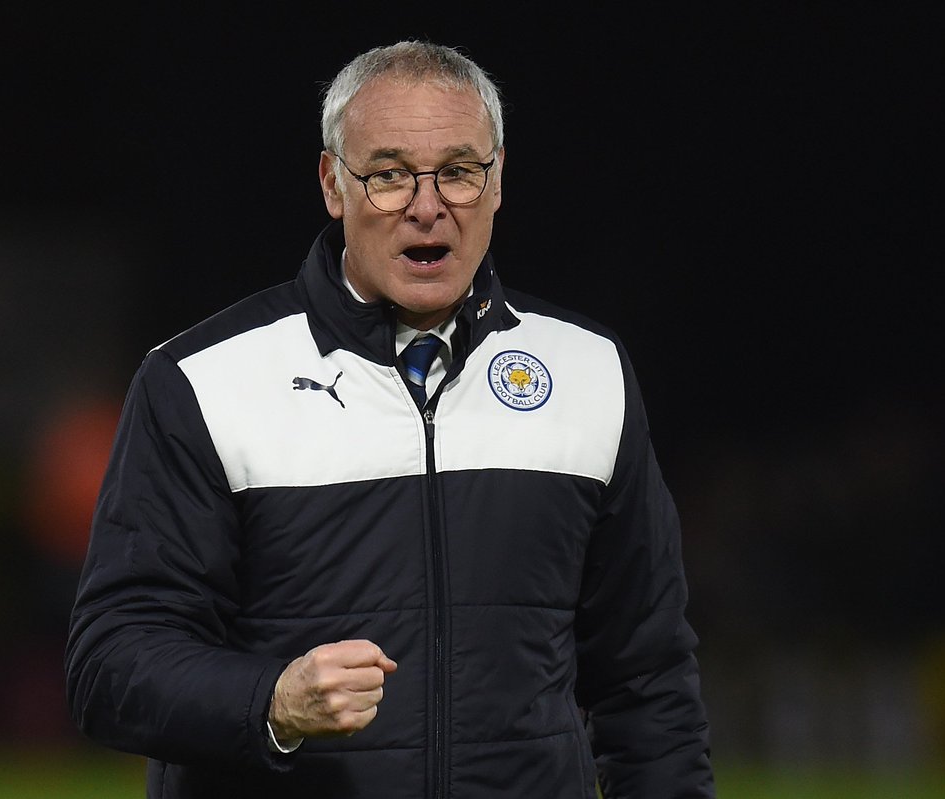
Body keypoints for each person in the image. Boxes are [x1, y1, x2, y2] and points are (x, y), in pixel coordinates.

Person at [65, 40, 714, 798]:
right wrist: (272, 701)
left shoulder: (588, 371)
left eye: (459, 171)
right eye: (389, 175)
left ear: (498, 180)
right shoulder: (200, 381)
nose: (427, 206)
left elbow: (648, 683)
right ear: (333, 184)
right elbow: (110, 664)